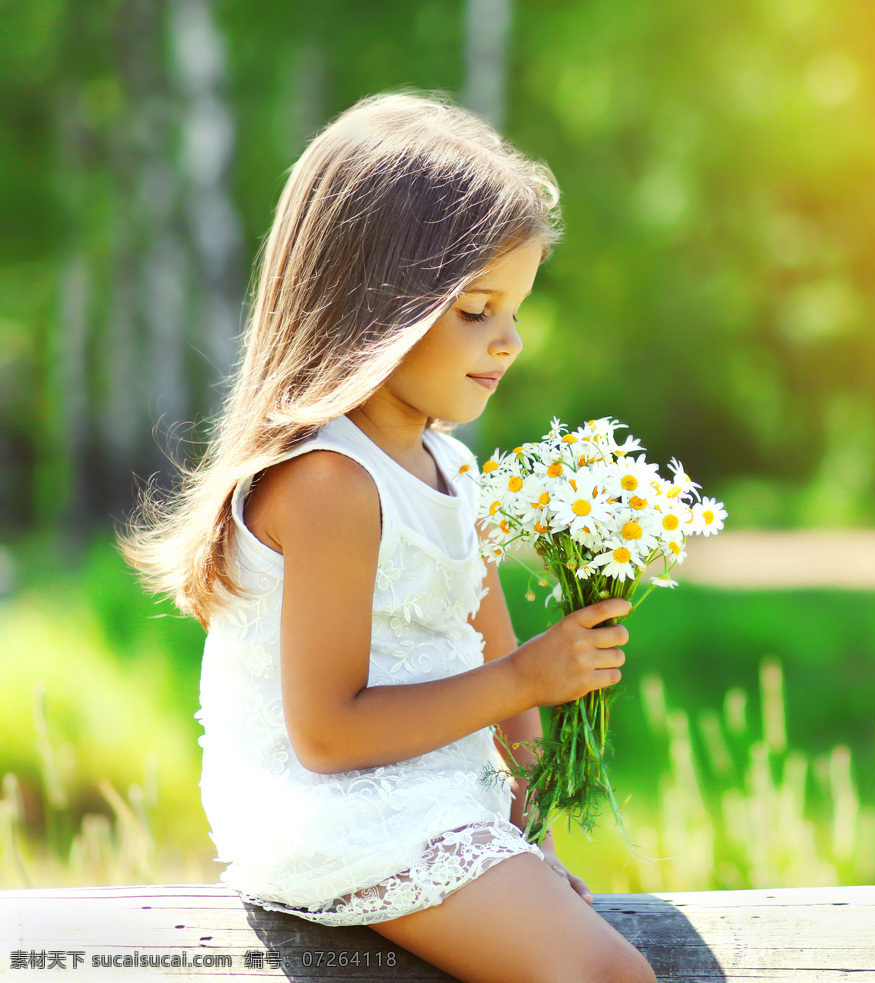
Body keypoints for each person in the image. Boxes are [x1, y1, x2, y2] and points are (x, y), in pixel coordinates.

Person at [122, 92, 656, 983]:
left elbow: (492, 644)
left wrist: (527, 825)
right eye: (477, 309)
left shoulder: (448, 468)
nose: (511, 340)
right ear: (378, 308)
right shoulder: (332, 482)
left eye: (516, 308)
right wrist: (526, 680)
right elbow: (327, 732)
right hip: (332, 811)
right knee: (609, 977)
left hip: (437, 794)